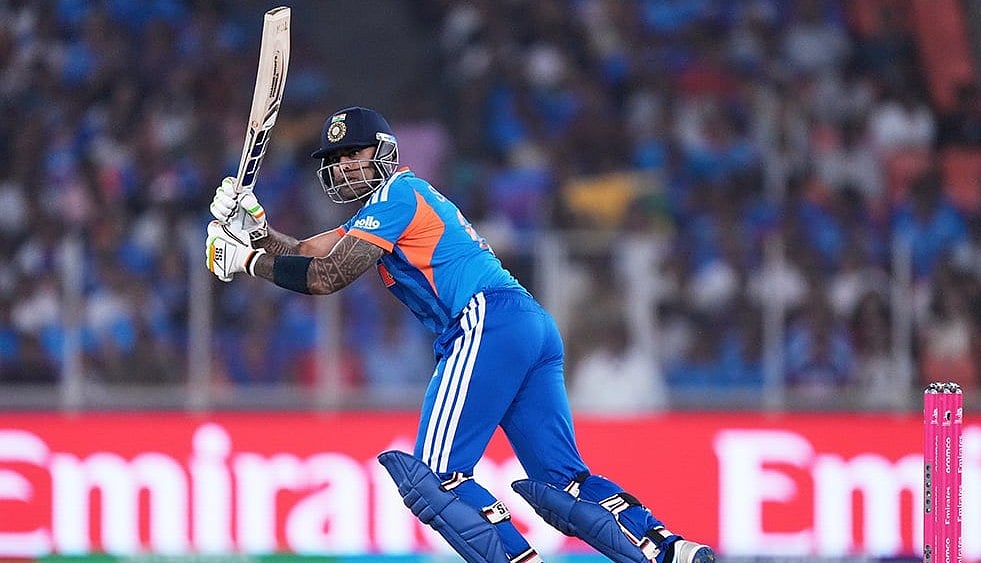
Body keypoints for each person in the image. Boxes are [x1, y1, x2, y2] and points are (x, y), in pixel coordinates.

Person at [205, 106, 714, 563]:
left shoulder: (397, 193)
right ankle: (668, 551)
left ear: (383, 152)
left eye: (351, 154)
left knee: (437, 479)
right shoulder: (385, 207)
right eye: (334, 160)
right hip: (526, 325)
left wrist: (248, 261)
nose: (341, 167)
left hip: (484, 320)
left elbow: (326, 276)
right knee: (563, 483)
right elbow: (309, 252)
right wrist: (256, 233)